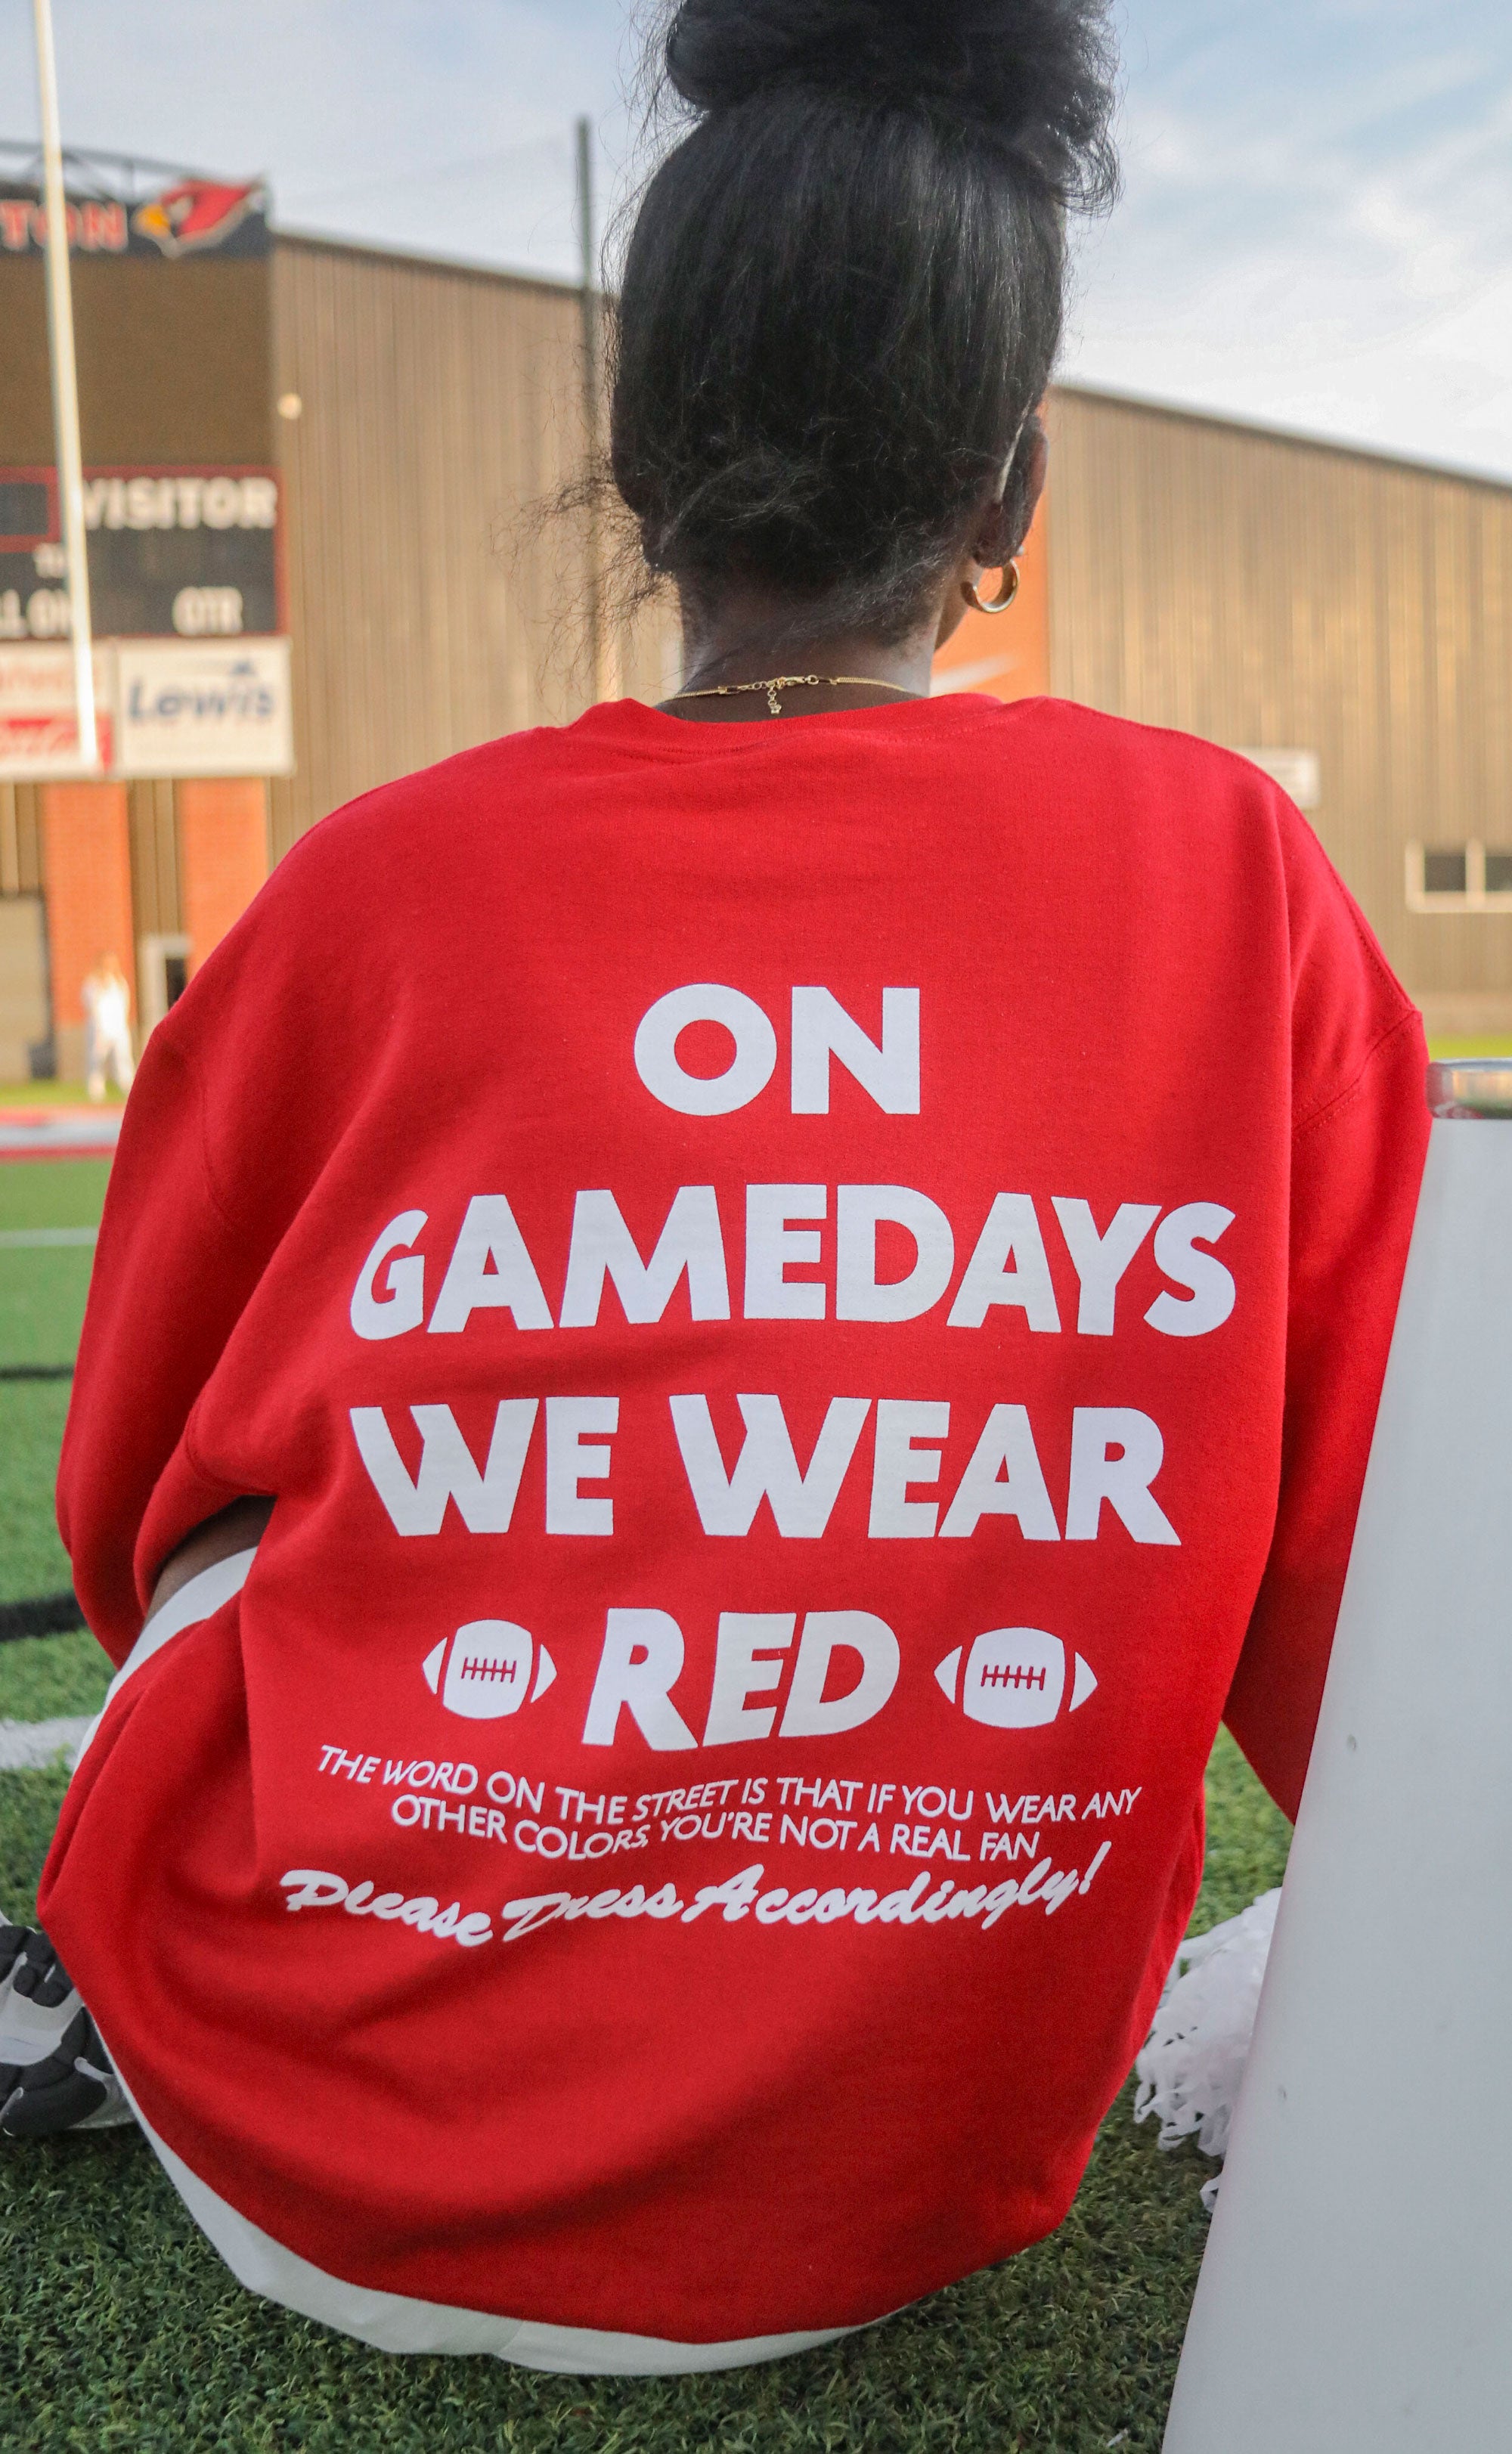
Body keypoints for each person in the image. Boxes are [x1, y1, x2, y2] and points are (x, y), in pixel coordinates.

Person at [5, 0, 1429, 2379]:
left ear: (638, 466)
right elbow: (1372, 1620)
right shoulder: (1233, 874)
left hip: (311, 2153)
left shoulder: (374, 887)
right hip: (910, 2189)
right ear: (1010, 493)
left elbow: (131, 1497)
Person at [80, 953, 135, 1102]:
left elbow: (125, 1003)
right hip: (100, 1027)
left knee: (123, 1057)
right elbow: (89, 1004)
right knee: (97, 1059)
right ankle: (96, 1090)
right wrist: (98, 1025)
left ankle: (127, 1087)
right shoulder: (93, 983)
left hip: (119, 1026)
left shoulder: (119, 982)